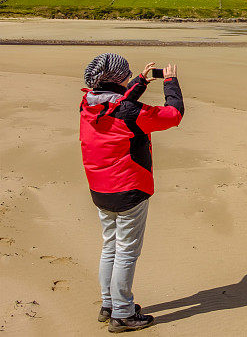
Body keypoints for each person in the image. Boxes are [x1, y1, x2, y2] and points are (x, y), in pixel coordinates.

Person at [79, 53, 184, 332]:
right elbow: (173, 115)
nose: (127, 78)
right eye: (124, 75)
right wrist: (171, 83)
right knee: (126, 252)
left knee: (110, 246)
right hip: (128, 189)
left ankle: (109, 304)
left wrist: (140, 81)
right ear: (116, 79)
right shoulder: (128, 112)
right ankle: (122, 313)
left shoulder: (88, 103)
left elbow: (117, 102)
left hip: (100, 188)